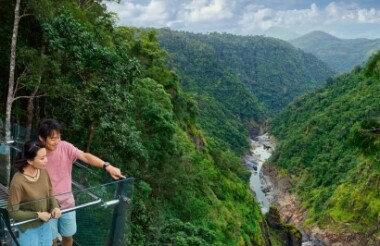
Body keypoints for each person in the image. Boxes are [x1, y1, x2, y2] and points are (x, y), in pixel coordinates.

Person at [38, 118, 124, 246]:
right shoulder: (37, 154)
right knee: (51, 240)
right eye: (52, 138)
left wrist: (107, 166)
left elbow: (85, 156)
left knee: (68, 237)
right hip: (47, 206)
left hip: (67, 203)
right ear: (41, 138)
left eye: (58, 137)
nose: (57, 142)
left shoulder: (65, 147)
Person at [8, 140, 61, 246]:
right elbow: (12, 212)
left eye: (46, 156)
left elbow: (50, 191)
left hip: (45, 225)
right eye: (42, 158)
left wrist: (55, 207)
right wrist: (37, 215)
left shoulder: (43, 171)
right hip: (27, 229)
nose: (46, 160)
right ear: (30, 161)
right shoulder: (18, 181)